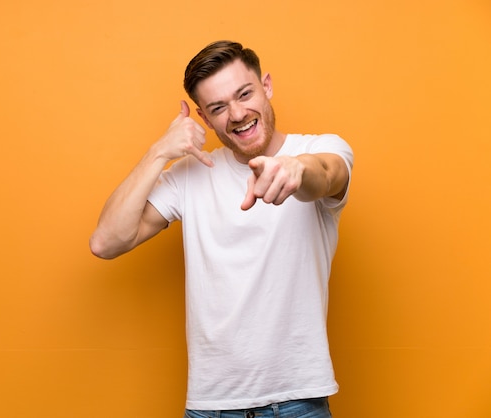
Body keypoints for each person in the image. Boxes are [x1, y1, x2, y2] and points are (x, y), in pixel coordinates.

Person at [89, 40, 353, 418]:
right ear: (204, 118)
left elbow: (327, 174)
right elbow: (105, 241)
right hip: (210, 407)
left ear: (267, 87)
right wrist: (159, 152)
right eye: (218, 108)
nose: (237, 113)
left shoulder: (320, 148)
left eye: (245, 94)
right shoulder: (189, 176)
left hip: (298, 401)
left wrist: (296, 169)